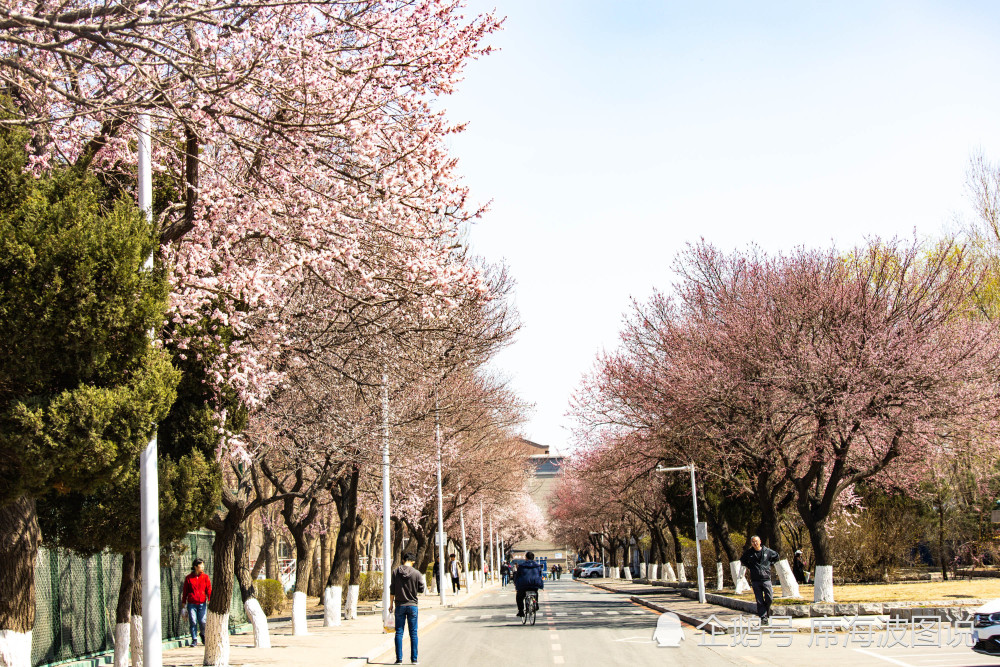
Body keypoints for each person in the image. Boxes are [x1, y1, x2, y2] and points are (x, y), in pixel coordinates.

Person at [390, 551, 425, 665]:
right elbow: (421, 588)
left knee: (399, 633)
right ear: (413, 562)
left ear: (403, 560)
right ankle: (414, 659)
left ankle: (399, 659)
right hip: (412, 605)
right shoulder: (417, 573)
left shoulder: (395, 572)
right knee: (413, 633)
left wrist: (391, 604)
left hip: (399, 605)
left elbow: (392, 590)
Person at [739, 536, 780, 625]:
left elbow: (777, 556)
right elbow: (742, 560)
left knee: (769, 598)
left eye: (756, 541)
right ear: (751, 543)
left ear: (760, 541)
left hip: (766, 579)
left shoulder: (767, 551)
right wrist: (751, 567)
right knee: (759, 600)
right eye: (753, 542)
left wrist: (769, 565)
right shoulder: (749, 553)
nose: (755, 543)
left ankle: (766, 613)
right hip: (755, 580)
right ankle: (763, 618)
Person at [180, 558, 211, 646]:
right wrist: (183, 602)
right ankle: (194, 639)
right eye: (201, 566)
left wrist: (209, 599)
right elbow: (185, 590)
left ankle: (203, 634)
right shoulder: (188, 578)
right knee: (193, 621)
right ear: (195, 567)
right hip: (191, 603)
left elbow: (209, 589)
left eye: (203, 566)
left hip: (202, 603)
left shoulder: (205, 577)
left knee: (202, 621)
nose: (203, 567)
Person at [514, 551, 544, 618]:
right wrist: (541, 585)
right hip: (535, 584)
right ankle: (536, 603)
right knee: (535, 592)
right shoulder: (537, 566)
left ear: (526, 558)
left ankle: (521, 611)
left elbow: (517, 576)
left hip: (523, 585)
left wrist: (516, 584)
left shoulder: (521, 566)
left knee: (519, 597)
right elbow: (539, 575)